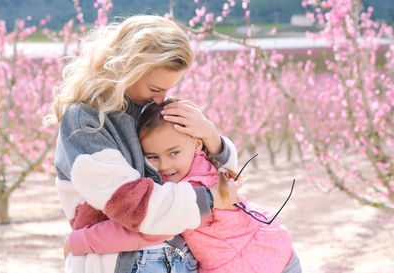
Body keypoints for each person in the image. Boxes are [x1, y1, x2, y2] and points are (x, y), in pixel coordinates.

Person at [47, 15, 240, 273]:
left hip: (178, 254)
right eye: (154, 88)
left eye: (167, 89)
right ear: (128, 68)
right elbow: (131, 204)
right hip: (123, 261)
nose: (161, 99)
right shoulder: (86, 121)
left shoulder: (148, 108)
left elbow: (218, 176)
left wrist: (210, 137)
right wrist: (208, 199)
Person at [65, 98, 302, 273]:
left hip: (252, 261)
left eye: (173, 153)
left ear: (197, 146)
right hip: (273, 247)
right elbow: (226, 162)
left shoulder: (193, 190)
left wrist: (80, 241)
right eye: (153, 157)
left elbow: (147, 231)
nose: (165, 164)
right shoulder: (202, 161)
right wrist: (211, 137)